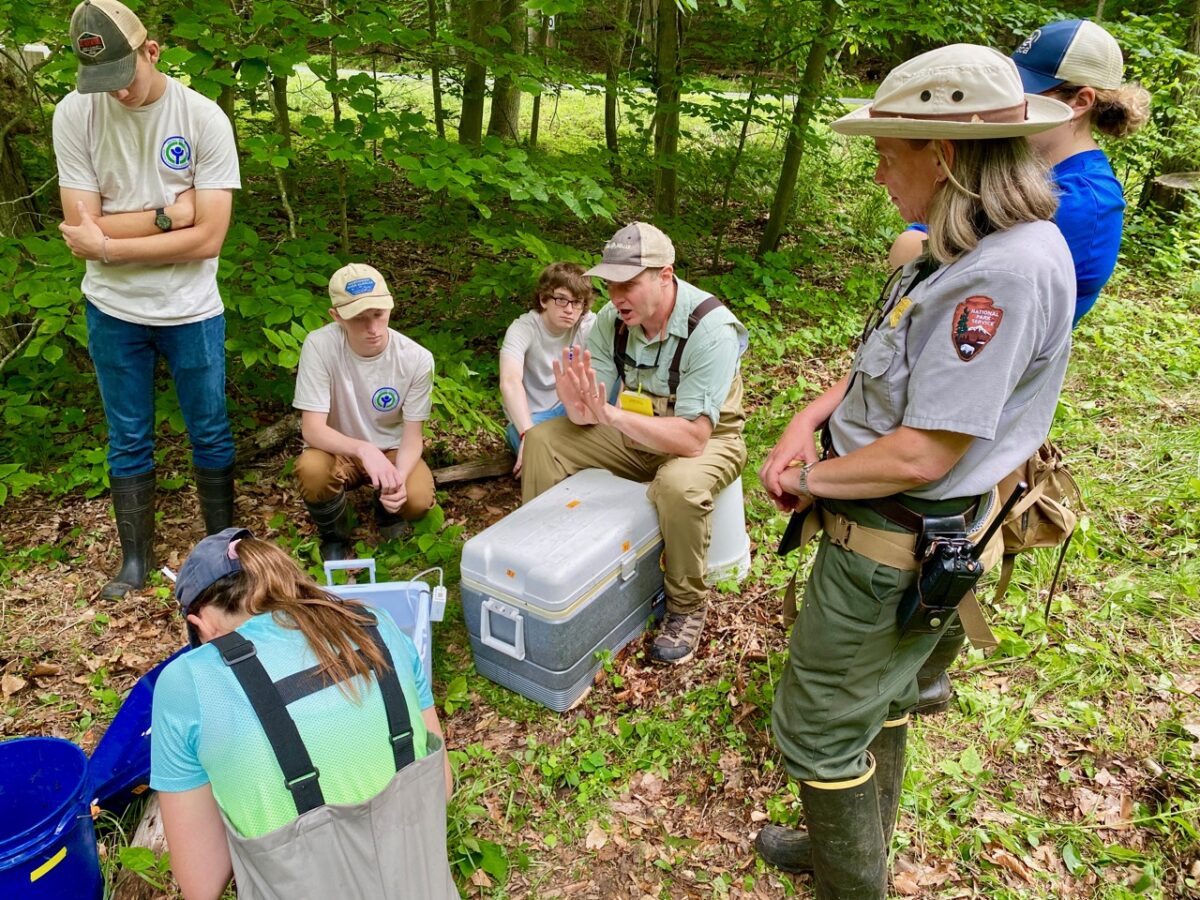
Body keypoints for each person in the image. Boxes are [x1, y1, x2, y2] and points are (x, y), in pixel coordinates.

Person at [753, 45, 1075, 896]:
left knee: (820, 725)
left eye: (886, 155)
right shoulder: (964, 245)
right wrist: (808, 421)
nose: (878, 175)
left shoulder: (998, 276)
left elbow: (926, 451)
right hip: (910, 535)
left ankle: (850, 880)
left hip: (890, 545)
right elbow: (889, 375)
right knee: (884, 697)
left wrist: (809, 481)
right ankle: (848, 844)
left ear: (945, 155)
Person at [906, 19, 1151, 717]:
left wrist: (923, 243)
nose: (1013, 108)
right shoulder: (1033, 176)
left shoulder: (1082, 199)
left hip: (994, 387)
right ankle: (916, 657)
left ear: (1076, 101)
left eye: (1032, 94)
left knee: (953, 527)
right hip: (958, 366)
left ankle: (925, 668)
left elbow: (930, 254)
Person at [150, 528, 457, 900]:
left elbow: (202, 883)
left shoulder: (186, 683)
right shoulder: (376, 627)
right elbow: (440, 786)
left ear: (199, 625)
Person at [53, 0, 241, 599]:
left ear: (150, 51)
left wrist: (111, 236)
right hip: (112, 308)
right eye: (101, 80)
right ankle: (134, 559)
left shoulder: (202, 117)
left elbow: (209, 236)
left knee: (209, 429)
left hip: (191, 308)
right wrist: (170, 214)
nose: (117, 93)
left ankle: (224, 552)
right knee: (127, 433)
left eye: (124, 75)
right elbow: (80, 230)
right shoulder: (74, 113)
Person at [521, 223, 748, 665]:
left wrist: (607, 415)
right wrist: (576, 404)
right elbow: (592, 409)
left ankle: (685, 606)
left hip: (706, 439)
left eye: (628, 284)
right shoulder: (612, 321)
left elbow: (694, 437)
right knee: (544, 439)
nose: (615, 296)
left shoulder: (711, 329)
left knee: (677, 487)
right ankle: (552, 572)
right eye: (609, 284)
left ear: (665, 276)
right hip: (636, 428)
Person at [293, 263, 436, 562]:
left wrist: (397, 479)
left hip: (393, 449)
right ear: (336, 316)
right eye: (358, 319)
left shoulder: (417, 359)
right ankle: (335, 533)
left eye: (378, 315)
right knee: (312, 470)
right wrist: (363, 449)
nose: (372, 328)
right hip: (338, 450)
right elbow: (312, 429)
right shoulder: (320, 346)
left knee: (418, 499)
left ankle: (387, 510)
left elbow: (412, 437)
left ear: (390, 306)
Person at [499, 262, 596, 475]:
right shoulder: (523, 328)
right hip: (534, 417)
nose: (569, 309)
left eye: (577, 302)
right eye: (561, 299)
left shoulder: (586, 325)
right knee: (519, 433)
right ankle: (551, 465)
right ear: (544, 299)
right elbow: (510, 381)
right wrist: (528, 435)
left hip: (573, 408)